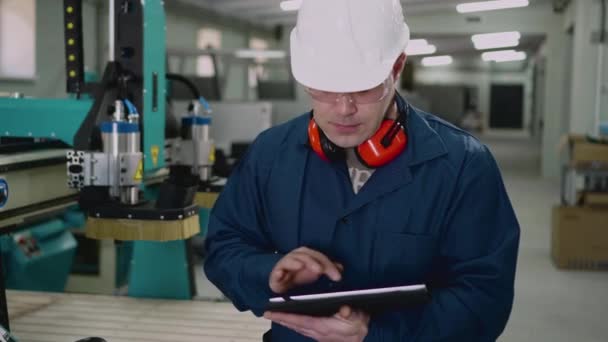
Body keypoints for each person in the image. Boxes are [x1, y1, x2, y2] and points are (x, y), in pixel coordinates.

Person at [204, 0, 520, 341]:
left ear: (397, 67)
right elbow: (225, 248)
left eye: (363, 87)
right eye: (324, 87)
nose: (343, 108)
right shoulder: (270, 154)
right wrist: (268, 272)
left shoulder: (462, 166)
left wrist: (376, 332)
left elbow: (485, 298)